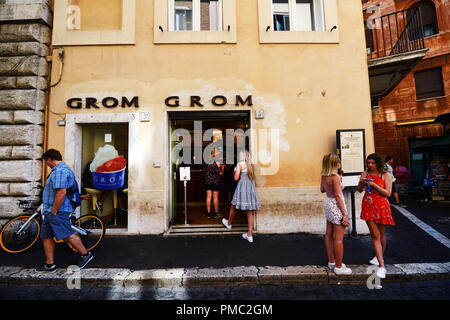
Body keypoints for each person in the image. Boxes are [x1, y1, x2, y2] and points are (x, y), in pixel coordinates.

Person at [37, 149, 93, 272]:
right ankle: (49, 265)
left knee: (67, 235)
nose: (46, 164)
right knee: (46, 236)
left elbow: (62, 192)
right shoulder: (58, 171)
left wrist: (54, 211)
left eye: (46, 161)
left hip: (57, 210)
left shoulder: (60, 171)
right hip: (50, 211)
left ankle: (85, 255)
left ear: (50, 159)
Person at [358, 153, 395, 279]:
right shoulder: (365, 174)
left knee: (381, 234)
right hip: (368, 206)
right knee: (375, 235)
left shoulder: (385, 175)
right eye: (368, 162)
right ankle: (382, 266)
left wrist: (374, 185)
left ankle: (379, 257)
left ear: (378, 163)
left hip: (382, 207)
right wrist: (361, 181)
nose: (370, 165)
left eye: (372, 163)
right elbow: (359, 190)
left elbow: (388, 193)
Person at [320, 153, 352, 275]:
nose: (340, 164)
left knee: (328, 234)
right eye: (338, 162)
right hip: (336, 205)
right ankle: (339, 267)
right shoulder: (335, 177)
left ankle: (332, 262)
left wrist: (339, 180)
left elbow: (322, 190)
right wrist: (345, 214)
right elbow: (338, 195)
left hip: (328, 203)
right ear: (334, 164)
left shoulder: (324, 176)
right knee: (338, 238)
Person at [222, 150, 260, 243]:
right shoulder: (251, 165)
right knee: (249, 211)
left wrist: (235, 170)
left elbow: (235, 178)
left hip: (241, 188)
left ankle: (229, 223)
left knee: (233, 205)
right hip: (250, 189)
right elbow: (253, 179)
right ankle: (250, 235)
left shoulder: (240, 164)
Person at [204, 149, 223, 218]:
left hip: (208, 181)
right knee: (215, 197)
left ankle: (208, 213)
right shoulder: (217, 162)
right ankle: (216, 213)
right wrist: (220, 166)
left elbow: (205, 170)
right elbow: (221, 173)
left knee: (208, 197)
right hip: (215, 182)